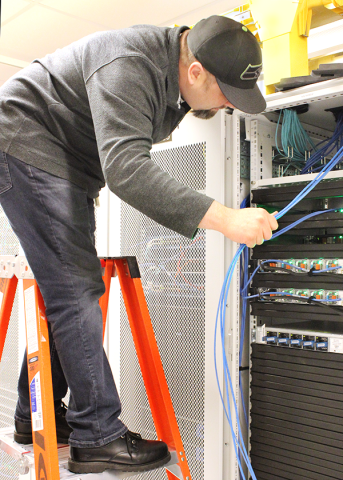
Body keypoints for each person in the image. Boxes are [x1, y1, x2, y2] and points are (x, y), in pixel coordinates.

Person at [0, 15, 278, 474]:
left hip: (61, 162)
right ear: (196, 72)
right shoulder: (130, 64)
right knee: (75, 292)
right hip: (28, 143)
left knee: (74, 288)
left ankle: (38, 416)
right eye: (227, 94)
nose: (229, 106)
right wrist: (226, 219)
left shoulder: (173, 80)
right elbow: (126, 169)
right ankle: (98, 436)